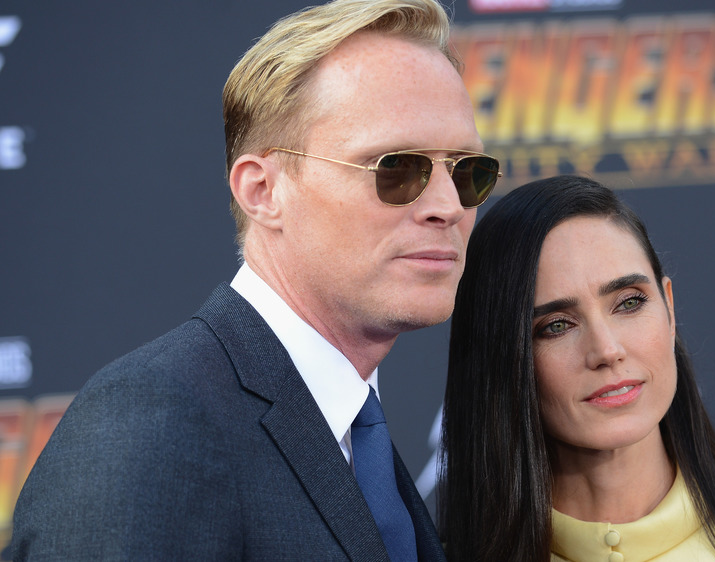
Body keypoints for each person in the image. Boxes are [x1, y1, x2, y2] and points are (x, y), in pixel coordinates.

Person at [11, 0, 500, 559]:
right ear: (263, 191)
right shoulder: (153, 422)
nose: (447, 206)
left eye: (467, 171)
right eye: (395, 169)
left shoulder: (356, 431)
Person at [439, 175, 715, 561]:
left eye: (630, 303)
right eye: (556, 325)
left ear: (670, 308)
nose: (607, 349)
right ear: (501, 354)